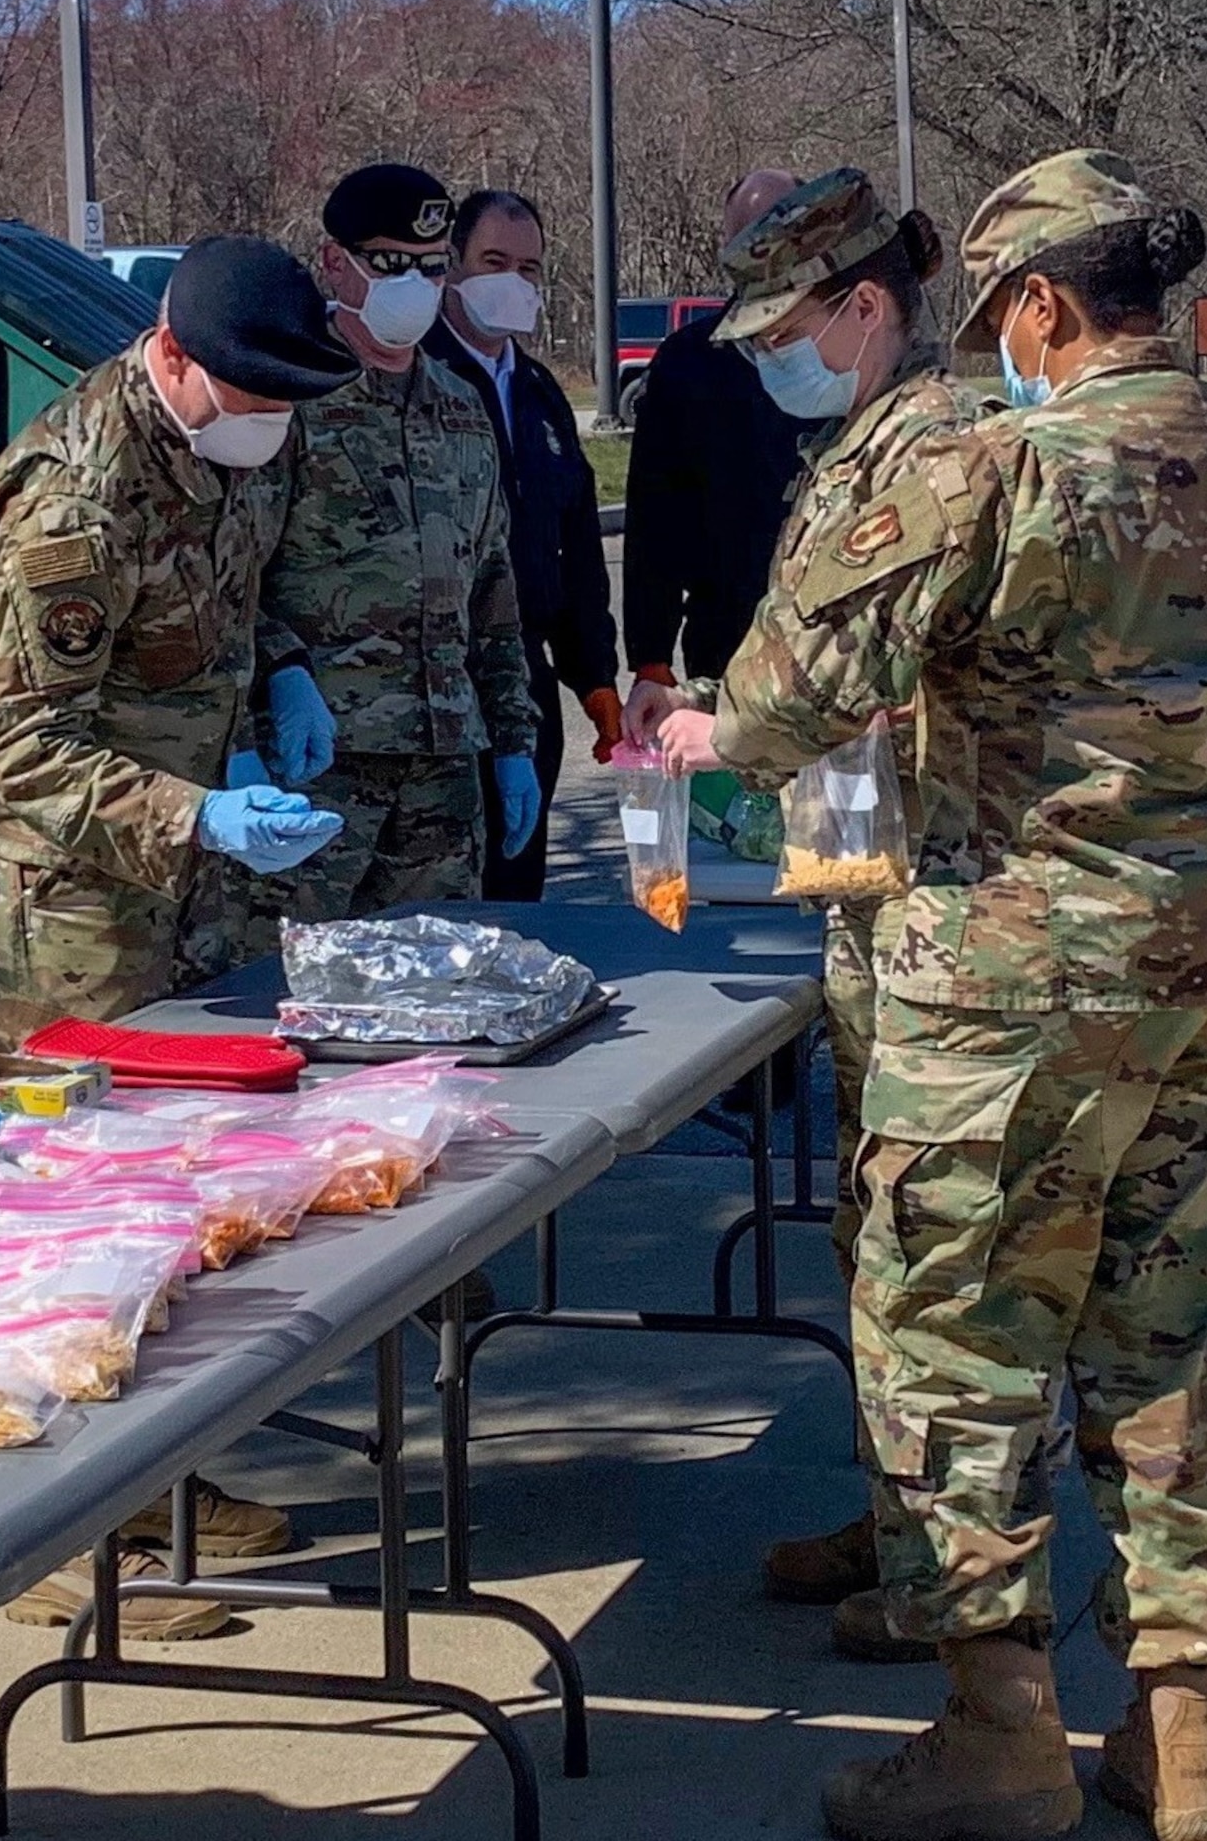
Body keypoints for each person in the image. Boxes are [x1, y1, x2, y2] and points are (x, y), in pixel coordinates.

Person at [657, 148, 1207, 1841]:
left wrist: (695, 744)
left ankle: (998, 1738)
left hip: (1015, 980)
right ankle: (1181, 1741)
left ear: (1038, 305)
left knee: (954, 1345)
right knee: (1169, 1339)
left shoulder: (983, 471)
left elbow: (768, 716)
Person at [0, 234, 357, 1638]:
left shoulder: (237, 434)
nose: (273, 423)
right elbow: (19, 755)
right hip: (67, 901)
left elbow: (252, 589)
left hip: (184, 875)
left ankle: (155, 1485)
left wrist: (290, 673)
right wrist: (197, 817)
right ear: (174, 360)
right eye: (251, 396)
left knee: (176, 1203)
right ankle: (52, 1535)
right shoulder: (73, 500)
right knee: (73, 1213)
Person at [624, 167, 994, 1659]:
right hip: (884, 865)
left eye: (788, 325)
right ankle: (904, 1519)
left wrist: (712, 732)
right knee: (882, 1229)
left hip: (946, 906)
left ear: (865, 308)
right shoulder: (864, 437)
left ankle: (951, 1586)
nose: (770, 354)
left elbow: (807, 686)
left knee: (933, 1260)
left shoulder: (932, 452)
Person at [249, 164, 542, 932]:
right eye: (389, 264)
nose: (412, 282)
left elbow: (495, 596)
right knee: (290, 988)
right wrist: (276, 679)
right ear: (335, 263)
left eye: (431, 265)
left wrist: (513, 741)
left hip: (443, 773)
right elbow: (230, 578)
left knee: (431, 994)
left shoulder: (461, 409)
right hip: (316, 774)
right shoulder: (285, 400)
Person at [426, 188, 619, 898]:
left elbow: (576, 545)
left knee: (516, 901)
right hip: (440, 688)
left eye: (529, 268)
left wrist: (595, 674)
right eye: (493, 261)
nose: (512, 281)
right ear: (452, 265)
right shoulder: (418, 377)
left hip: (528, 688)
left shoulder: (538, 393)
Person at [621, 169, 811, 732]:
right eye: (750, 236)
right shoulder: (689, 362)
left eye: (782, 230)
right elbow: (655, 517)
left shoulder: (844, 345)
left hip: (839, 644)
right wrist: (651, 657)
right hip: (726, 644)